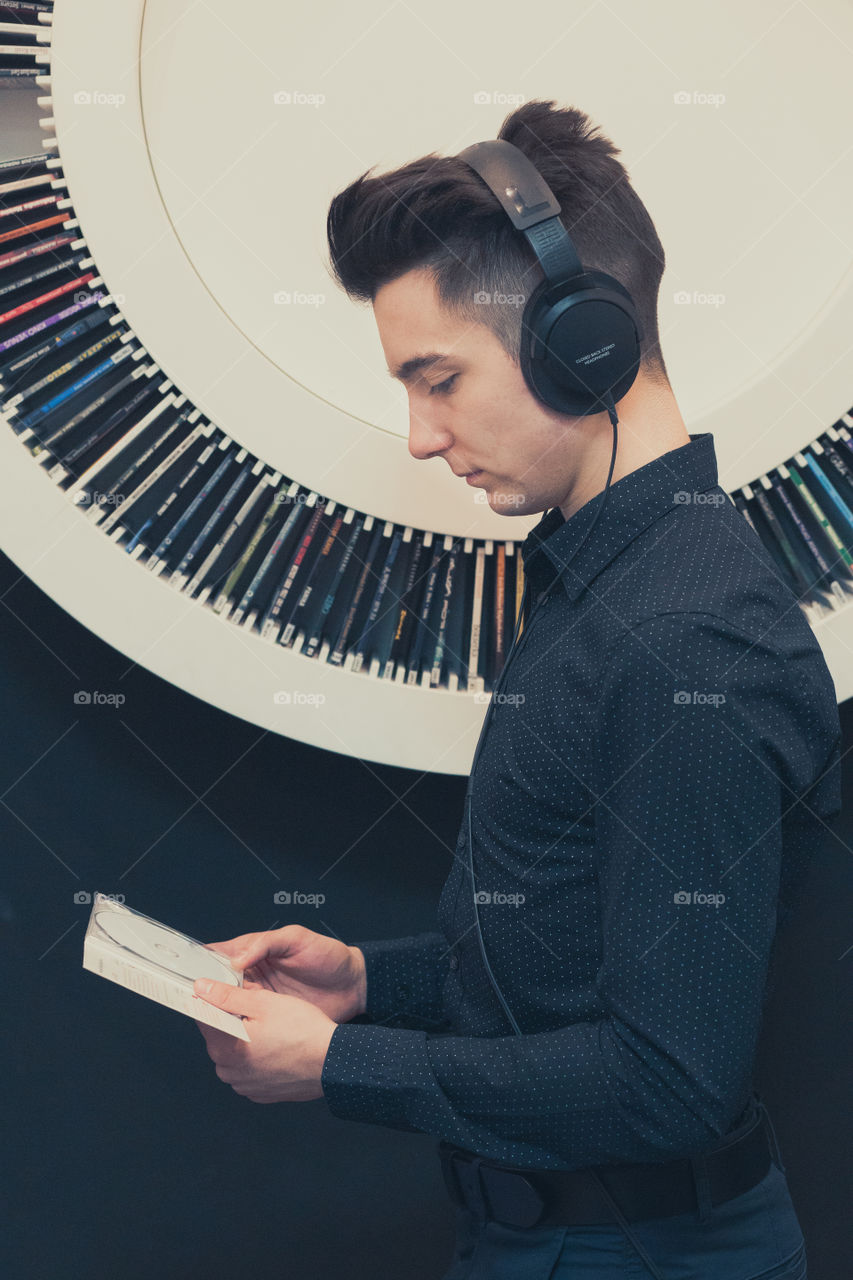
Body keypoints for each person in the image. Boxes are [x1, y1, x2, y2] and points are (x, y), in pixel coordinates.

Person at [193, 99, 841, 1279]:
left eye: (438, 378)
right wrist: (369, 983)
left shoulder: (685, 642)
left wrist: (343, 1067)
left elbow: (666, 1080)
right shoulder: (608, 585)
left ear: (577, 343)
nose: (419, 437)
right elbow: (569, 954)